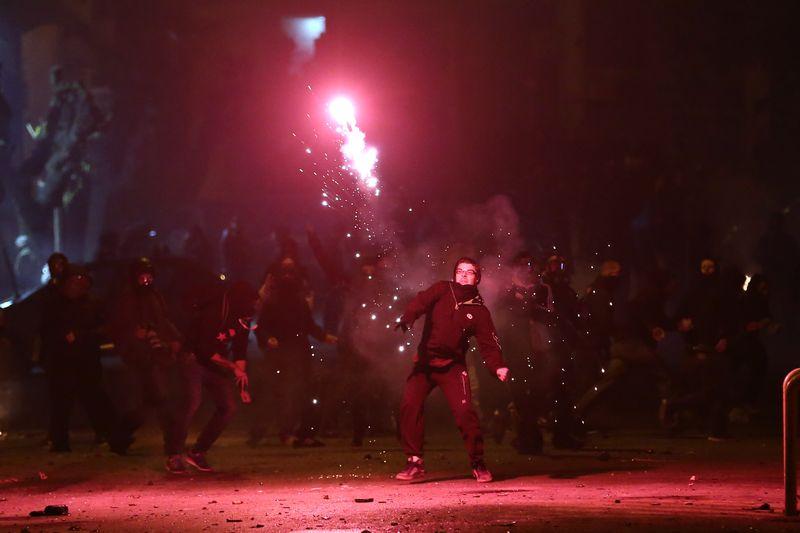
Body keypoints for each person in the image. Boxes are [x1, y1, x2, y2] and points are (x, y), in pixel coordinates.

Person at [394, 257, 509, 483]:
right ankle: (414, 461)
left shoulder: (479, 311)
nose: (463, 275)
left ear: (477, 278)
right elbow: (420, 301)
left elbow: (489, 344)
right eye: (459, 271)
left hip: (453, 367)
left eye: (469, 272)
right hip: (425, 364)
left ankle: (478, 462)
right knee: (409, 404)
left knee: (465, 412)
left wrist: (498, 366)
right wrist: (408, 318)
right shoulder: (441, 289)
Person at [170, 281, 257, 473]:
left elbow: (240, 351)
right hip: (193, 356)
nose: (252, 309)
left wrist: (242, 386)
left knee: (228, 407)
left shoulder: (244, 317)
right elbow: (205, 349)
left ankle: (197, 452)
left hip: (214, 360)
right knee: (192, 402)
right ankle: (173, 454)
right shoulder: (216, 311)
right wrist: (233, 367)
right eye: (250, 303)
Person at [107, 258, 182, 456]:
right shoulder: (127, 299)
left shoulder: (154, 296)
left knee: (152, 401)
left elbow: (163, 320)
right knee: (157, 400)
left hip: (153, 355)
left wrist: (175, 339)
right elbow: (117, 328)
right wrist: (133, 334)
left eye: (149, 276)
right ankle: (171, 442)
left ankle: (119, 438)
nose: (147, 280)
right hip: (138, 357)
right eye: (143, 276)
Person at [40, 265, 116, 452]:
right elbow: (46, 330)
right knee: (61, 403)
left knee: (93, 398)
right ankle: (59, 442)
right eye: (73, 282)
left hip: (87, 360)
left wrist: (82, 336)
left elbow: (106, 328)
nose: (77, 286)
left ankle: (106, 433)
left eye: (81, 282)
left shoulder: (93, 303)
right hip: (62, 361)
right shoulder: (54, 304)